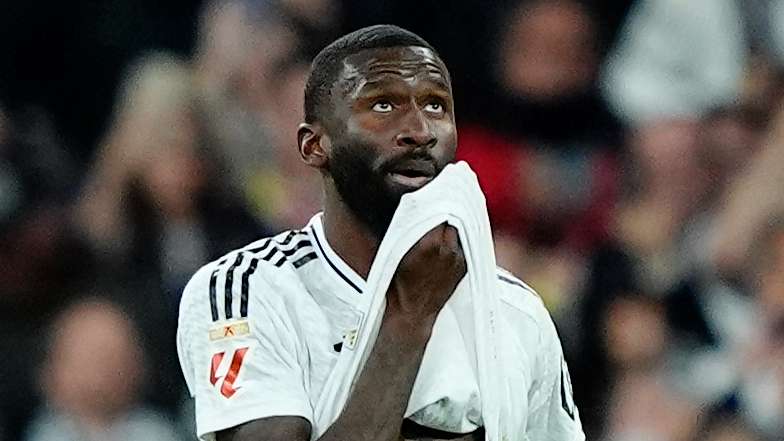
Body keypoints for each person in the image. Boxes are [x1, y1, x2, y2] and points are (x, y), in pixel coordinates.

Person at [177, 25, 584, 441]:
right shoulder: (250, 290)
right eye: (384, 105)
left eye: (436, 106)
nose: (420, 131)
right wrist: (409, 317)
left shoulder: (516, 311)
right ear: (314, 146)